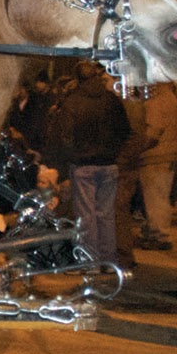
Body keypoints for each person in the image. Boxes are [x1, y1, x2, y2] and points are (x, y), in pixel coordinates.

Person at [45, 60, 131, 267]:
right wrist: (114, 152)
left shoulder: (73, 102)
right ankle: (108, 260)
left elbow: (65, 136)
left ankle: (89, 261)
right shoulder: (111, 100)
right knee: (106, 214)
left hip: (83, 164)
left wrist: (72, 156)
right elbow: (124, 130)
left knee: (86, 215)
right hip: (108, 163)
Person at [132, 80, 177, 250]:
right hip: (164, 155)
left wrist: (137, 148)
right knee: (158, 196)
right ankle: (154, 231)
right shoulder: (169, 97)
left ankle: (159, 234)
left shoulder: (158, 99)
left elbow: (153, 130)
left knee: (155, 198)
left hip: (156, 157)